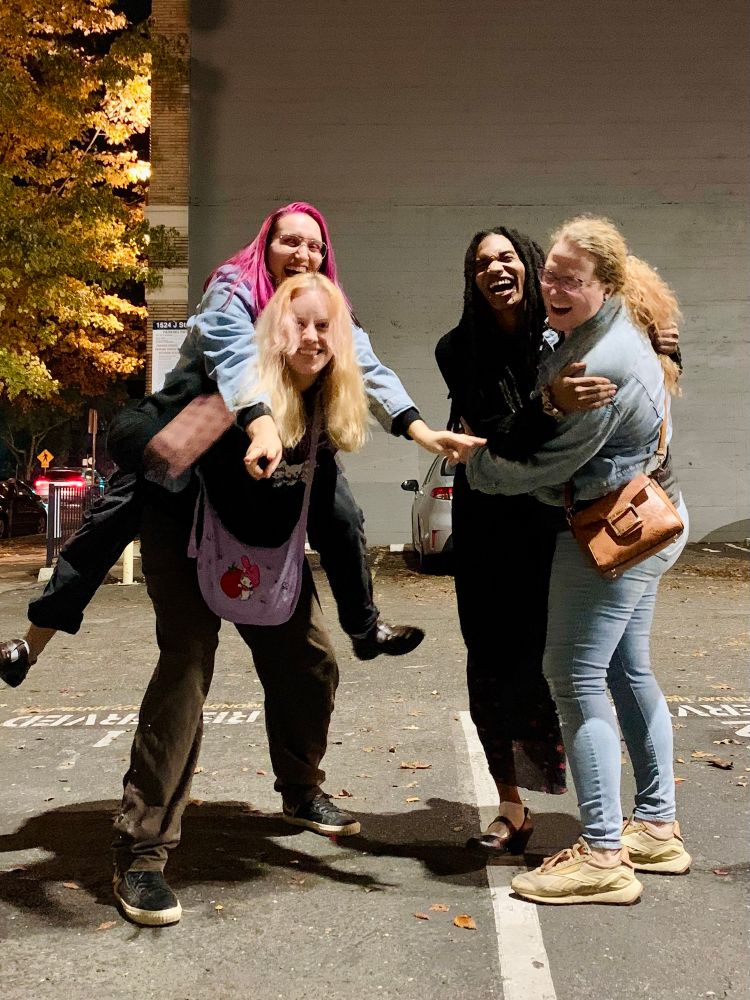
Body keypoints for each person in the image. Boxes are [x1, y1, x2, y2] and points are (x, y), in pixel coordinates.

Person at [0, 202, 478, 687]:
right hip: (199, 420)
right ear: (265, 245)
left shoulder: (323, 303)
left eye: (315, 245)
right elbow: (236, 360)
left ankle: (365, 627)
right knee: (117, 513)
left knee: (342, 516)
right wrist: (261, 424)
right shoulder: (233, 287)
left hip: (283, 434)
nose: (303, 253)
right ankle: (30, 643)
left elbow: (369, 370)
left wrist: (421, 430)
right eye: (290, 241)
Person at [109, 272, 381, 926]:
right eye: (300, 324)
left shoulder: (320, 400)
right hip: (186, 539)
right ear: (272, 332)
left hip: (260, 555)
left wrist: (364, 618)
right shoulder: (226, 392)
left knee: (312, 664)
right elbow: (136, 445)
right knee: (186, 669)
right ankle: (141, 850)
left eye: (326, 327)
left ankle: (300, 789)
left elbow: (336, 516)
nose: (313, 337)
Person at [459, 216, 689, 905]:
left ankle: (603, 855)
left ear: (608, 285)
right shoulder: (596, 329)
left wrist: (478, 470)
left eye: (570, 278)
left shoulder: (603, 364)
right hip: (642, 516)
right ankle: (655, 825)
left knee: (573, 672)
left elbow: (543, 463)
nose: (553, 286)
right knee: (626, 668)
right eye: (551, 272)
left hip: (610, 528)